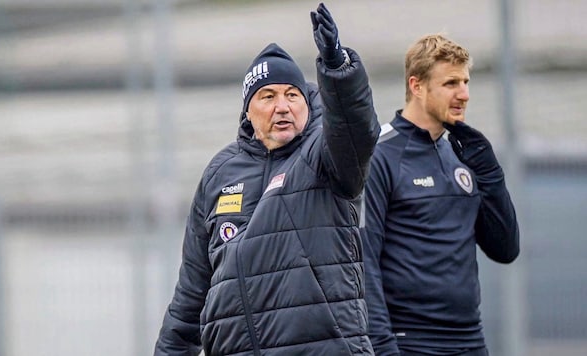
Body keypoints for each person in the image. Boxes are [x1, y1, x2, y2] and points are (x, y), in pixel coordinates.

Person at [154, 3, 380, 355]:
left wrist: (338, 70)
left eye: (292, 95)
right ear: (248, 109)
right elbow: (190, 295)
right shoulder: (220, 172)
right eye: (268, 96)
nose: (283, 106)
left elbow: (356, 130)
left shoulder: (325, 154)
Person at [361, 33, 520, 356]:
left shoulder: (463, 156)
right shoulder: (380, 155)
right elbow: (363, 261)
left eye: (465, 82)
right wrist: (382, 346)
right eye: (451, 83)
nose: (464, 94)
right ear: (417, 86)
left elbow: (505, 249)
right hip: (409, 342)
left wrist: (491, 176)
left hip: (470, 339)